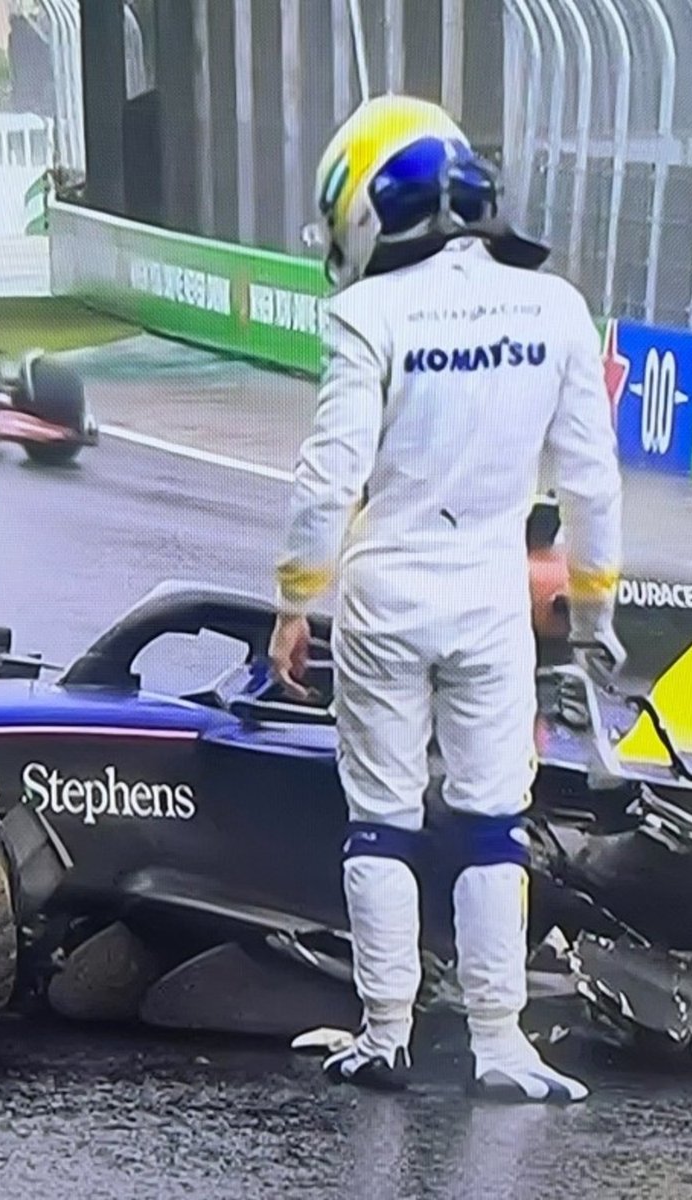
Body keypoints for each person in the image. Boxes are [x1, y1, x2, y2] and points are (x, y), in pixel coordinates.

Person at [269, 95, 624, 1103]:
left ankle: (384, 1032)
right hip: (488, 598)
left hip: (385, 594)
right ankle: (500, 1044)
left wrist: (297, 600)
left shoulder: (364, 314)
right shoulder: (554, 307)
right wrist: (592, 612)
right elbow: (590, 480)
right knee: (489, 822)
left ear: (374, 206)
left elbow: (327, 476)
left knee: (379, 820)